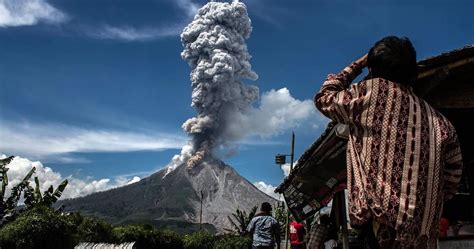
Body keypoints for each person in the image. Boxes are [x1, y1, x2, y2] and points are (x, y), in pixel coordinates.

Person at [314, 36, 463, 248]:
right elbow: (451, 181)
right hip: (422, 237)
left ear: (373, 70)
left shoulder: (368, 95)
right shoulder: (442, 124)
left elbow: (324, 97)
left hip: (378, 231)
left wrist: (358, 64)